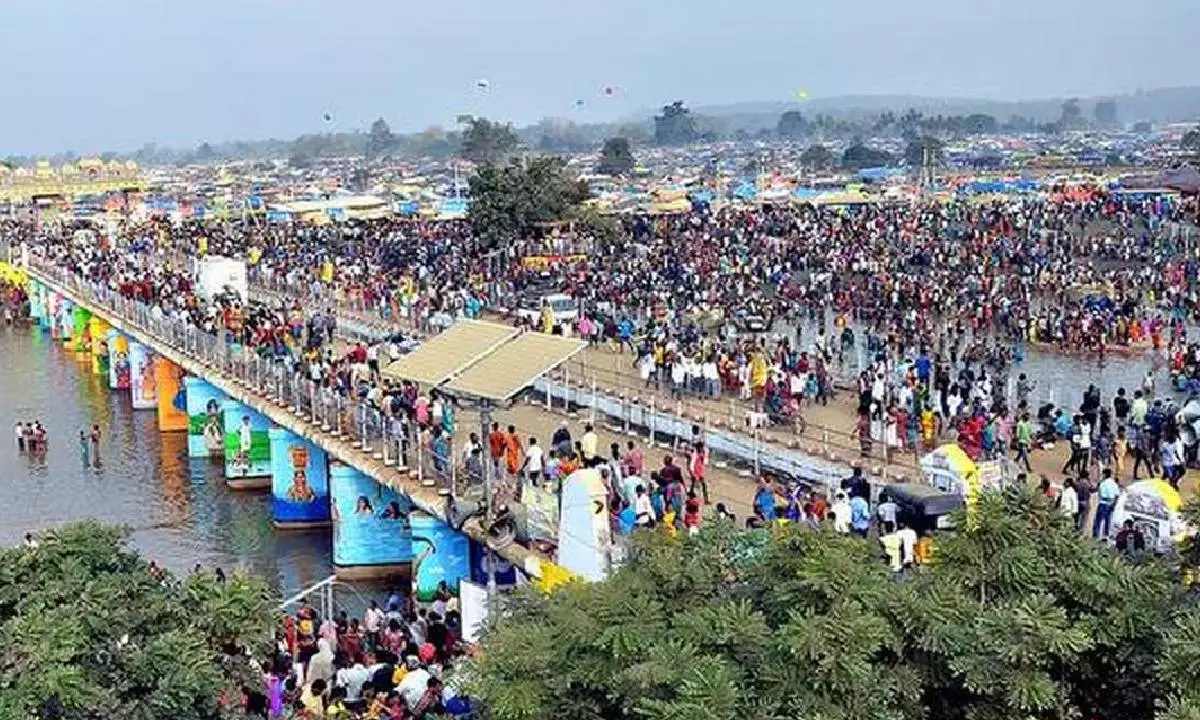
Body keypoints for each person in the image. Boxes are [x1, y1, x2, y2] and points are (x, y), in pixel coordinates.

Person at [1094, 469, 1120, 539]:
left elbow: (1100, 493)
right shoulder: (1114, 483)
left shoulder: (1103, 483)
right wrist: (1114, 504)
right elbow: (1117, 495)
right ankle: (1106, 535)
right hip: (1111, 503)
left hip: (1103, 503)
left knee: (1098, 520)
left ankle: (1097, 535)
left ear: (1105, 474)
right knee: (1107, 520)